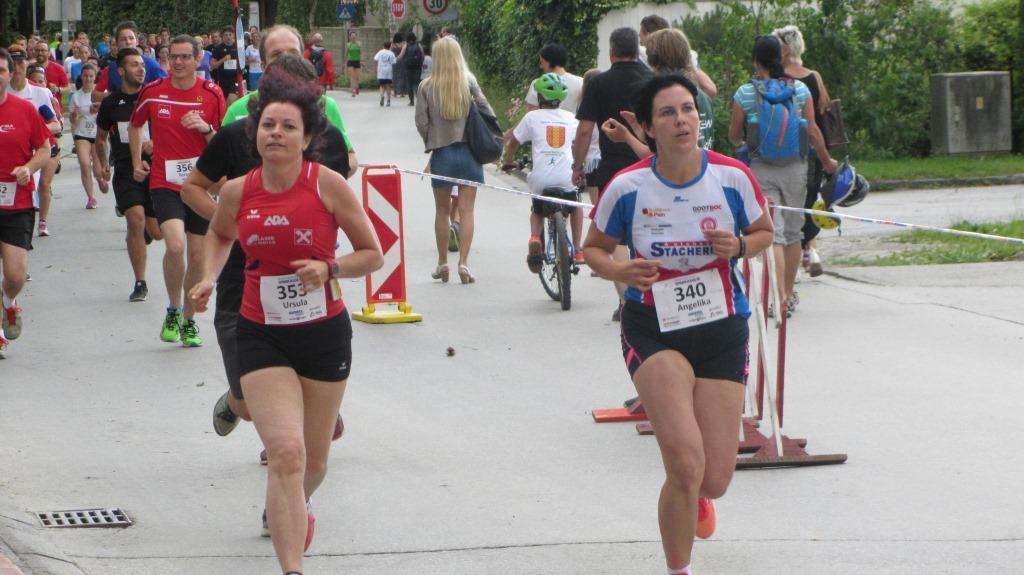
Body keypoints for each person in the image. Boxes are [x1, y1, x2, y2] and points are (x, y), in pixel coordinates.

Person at [188, 66, 383, 574]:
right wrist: (208, 276)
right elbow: (220, 234)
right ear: (255, 132)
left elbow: (373, 254)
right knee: (286, 454)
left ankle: (295, 503)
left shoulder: (328, 185)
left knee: (313, 463)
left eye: (288, 126)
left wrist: (330, 268)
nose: (276, 133)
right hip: (261, 332)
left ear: (307, 137)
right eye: (268, 124)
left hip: (323, 334)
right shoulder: (239, 191)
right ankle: (292, 566)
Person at [584, 73, 774, 575]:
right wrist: (621, 271)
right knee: (686, 466)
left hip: (722, 328)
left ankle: (698, 494)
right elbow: (594, 249)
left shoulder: (732, 177)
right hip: (654, 328)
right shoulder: (628, 186)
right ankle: (678, 568)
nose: (681, 120)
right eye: (667, 113)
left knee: (713, 480)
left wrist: (740, 246)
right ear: (647, 128)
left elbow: (764, 231)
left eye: (688, 109)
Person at [182, 53, 351, 461]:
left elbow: (338, 206)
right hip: (242, 284)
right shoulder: (234, 136)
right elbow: (193, 189)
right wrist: (236, 227)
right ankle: (238, 403)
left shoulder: (327, 143)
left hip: (310, 293)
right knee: (247, 399)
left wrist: (327, 264)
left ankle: (289, 451)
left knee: (291, 448)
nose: (278, 131)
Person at [728, 35, 837, 316]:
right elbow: (812, 131)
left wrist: (743, 146)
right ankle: (787, 296)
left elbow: (734, 135)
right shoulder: (799, 90)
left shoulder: (745, 93)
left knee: (773, 235)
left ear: (755, 61)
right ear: (781, 57)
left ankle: (775, 299)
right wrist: (827, 161)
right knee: (792, 233)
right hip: (796, 168)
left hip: (761, 169)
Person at [129, 34, 226, 347]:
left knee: (197, 256)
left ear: (198, 59)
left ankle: (188, 320)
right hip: (165, 182)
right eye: (174, 57)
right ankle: (172, 309)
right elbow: (135, 125)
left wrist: (206, 129)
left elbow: (222, 143)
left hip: (200, 185)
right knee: (174, 245)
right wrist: (137, 161)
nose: (179, 62)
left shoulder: (211, 94)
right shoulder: (153, 92)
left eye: (185, 57)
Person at [572, 27, 652, 321]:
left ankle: (626, 299)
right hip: (649, 165)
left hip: (613, 169)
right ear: (637, 50)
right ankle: (649, 294)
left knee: (616, 237)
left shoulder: (599, 83)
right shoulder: (652, 80)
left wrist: (578, 166)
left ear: (611, 52)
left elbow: (584, 130)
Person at [223, 24, 358, 177]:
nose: (286, 60)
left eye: (293, 53)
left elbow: (349, 157)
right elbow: (214, 172)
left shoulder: (326, 105)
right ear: (263, 65)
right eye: (277, 54)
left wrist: (320, 182)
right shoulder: (237, 110)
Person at [415, 36, 495, 285]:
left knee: (441, 211)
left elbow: (421, 122)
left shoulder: (426, 86)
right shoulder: (468, 82)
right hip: (470, 153)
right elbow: (488, 112)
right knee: (467, 211)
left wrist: (432, 140)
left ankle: (442, 263)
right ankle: (464, 263)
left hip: (443, 154)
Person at [95, 47, 164, 302]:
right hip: (126, 170)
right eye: (134, 65)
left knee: (157, 232)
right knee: (135, 218)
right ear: (121, 71)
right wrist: (103, 162)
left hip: (156, 169)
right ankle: (140, 282)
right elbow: (100, 139)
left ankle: (144, 232)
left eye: (142, 64)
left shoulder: (155, 97)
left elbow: (171, 129)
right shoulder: (111, 103)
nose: (141, 69)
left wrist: (157, 143)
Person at [0, 47, 52, 359]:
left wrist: (28, 168)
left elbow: (44, 148)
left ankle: (8, 302)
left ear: (10, 74)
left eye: (1, 70)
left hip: (17, 201)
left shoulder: (24, 110)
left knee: (15, 274)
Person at [502, 73, 583, 268]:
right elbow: (578, 144)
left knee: (537, 210)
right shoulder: (571, 118)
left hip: (541, 179)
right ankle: (578, 249)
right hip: (566, 177)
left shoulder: (532, 117)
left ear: (539, 97)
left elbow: (514, 142)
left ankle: (535, 238)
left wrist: (509, 160)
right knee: (576, 204)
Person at [775, 24, 832, 278]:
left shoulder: (776, 80)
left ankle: (794, 259)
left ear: (784, 50)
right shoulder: (814, 77)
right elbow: (823, 108)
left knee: (788, 207)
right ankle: (812, 250)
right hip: (813, 149)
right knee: (809, 201)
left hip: (785, 151)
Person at [602, 28, 716, 157]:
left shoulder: (665, 98)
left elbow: (661, 156)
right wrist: (647, 132)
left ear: (653, 59)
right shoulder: (702, 96)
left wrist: (626, 136)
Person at [6, 44, 61, 238]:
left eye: (21, 63)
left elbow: (56, 125)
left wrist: (32, 132)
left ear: (25, 65)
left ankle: (37, 224)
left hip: (37, 151)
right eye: (13, 63)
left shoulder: (40, 93)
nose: (17, 68)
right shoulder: (3, 92)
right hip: (11, 153)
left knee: (36, 188)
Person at [638, 15, 717, 97]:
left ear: (648, 35)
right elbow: (710, 89)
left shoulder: (643, 57)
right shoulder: (688, 57)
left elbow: (710, 88)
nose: (640, 40)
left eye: (640, 36)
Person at [93, 21, 168, 104]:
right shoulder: (111, 68)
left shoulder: (152, 65)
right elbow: (95, 96)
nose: (128, 42)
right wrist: (118, 96)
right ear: (117, 43)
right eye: (123, 39)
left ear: (137, 41)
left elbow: (167, 90)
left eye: (131, 38)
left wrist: (144, 96)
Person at [68, 63, 106, 209]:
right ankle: (91, 197)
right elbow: (73, 120)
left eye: (91, 76)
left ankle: (100, 178)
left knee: (97, 169)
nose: (88, 79)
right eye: (85, 76)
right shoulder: (76, 96)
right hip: (81, 134)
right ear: (81, 77)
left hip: (97, 134)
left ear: (95, 77)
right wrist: (74, 115)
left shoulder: (101, 93)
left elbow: (108, 114)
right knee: (84, 164)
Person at [524, 43, 583, 114]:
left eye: (541, 62)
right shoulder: (580, 82)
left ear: (549, 61)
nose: (541, 66)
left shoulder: (537, 83)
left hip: (544, 121)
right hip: (570, 121)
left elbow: (531, 112)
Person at [210, 26, 241, 104]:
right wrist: (223, 59)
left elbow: (245, 61)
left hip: (235, 80)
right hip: (223, 80)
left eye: (230, 34)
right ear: (222, 36)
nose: (228, 37)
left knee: (231, 100)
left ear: (233, 35)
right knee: (223, 103)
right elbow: (212, 66)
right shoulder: (218, 48)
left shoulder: (238, 47)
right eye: (226, 35)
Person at [400, 33, 424, 107]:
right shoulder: (418, 45)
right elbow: (422, 55)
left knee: (409, 84)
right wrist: (421, 63)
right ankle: (419, 100)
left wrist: (397, 59)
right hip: (417, 67)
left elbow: (401, 55)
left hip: (408, 67)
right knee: (417, 83)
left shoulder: (406, 46)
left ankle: (411, 101)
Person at [373, 40, 396, 106]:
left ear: (383, 46)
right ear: (390, 46)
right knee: (388, 86)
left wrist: (376, 67)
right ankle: (388, 100)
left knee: (382, 85)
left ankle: (382, 96)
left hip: (381, 71)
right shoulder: (391, 53)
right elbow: (393, 62)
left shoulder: (380, 52)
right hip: (388, 71)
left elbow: (375, 59)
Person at [344, 31, 360, 96]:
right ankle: (353, 90)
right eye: (352, 36)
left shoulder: (359, 44)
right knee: (352, 76)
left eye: (354, 35)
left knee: (357, 77)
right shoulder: (348, 44)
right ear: (350, 37)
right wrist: (344, 62)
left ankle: (357, 87)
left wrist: (362, 61)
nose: (353, 37)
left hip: (357, 61)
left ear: (356, 36)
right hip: (350, 61)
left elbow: (361, 53)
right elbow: (346, 53)